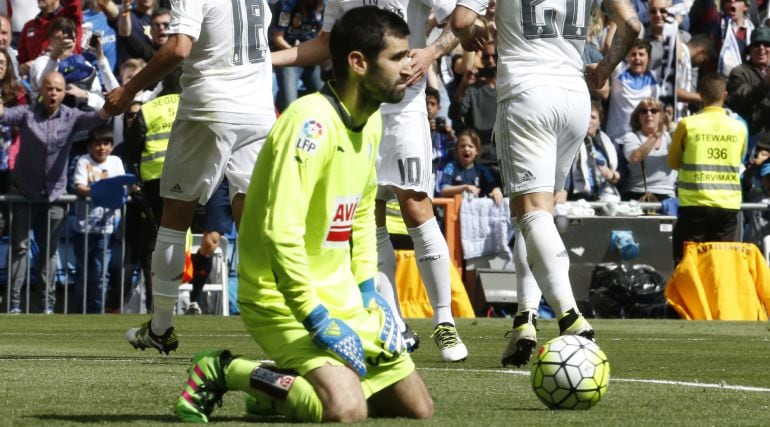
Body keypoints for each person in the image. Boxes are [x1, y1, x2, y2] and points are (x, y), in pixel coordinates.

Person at [175, 7, 433, 423]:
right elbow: (280, 234)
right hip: (280, 297)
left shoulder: (370, 123)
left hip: (341, 296)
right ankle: (225, 369)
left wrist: (369, 296)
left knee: (418, 409)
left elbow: (364, 215)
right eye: (397, 57)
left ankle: (279, 391)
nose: (410, 67)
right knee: (347, 410)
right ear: (357, 63)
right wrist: (315, 316)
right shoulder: (309, 123)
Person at [272, 0, 470, 362]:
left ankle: (444, 320)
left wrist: (430, 53)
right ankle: (393, 321)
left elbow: (460, 21)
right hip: (358, 110)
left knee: (415, 207)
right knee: (367, 217)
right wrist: (268, 60)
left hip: (404, 109)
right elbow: (326, 42)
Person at [451, 0, 641, 367]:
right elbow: (632, 26)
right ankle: (525, 317)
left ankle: (569, 315)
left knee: (530, 211)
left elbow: (461, 21)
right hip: (574, 97)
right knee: (537, 213)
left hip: (527, 92)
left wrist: (476, 31)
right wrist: (604, 68)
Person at [104, 0, 276, 354]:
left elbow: (179, 47)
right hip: (259, 112)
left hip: (210, 106)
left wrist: (129, 89)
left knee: (175, 217)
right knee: (253, 218)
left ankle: (161, 326)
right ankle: (279, 320)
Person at [1, 71, 109, 314]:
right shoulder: (27, 113)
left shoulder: (72, 117)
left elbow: (98, 118)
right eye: (49, 88)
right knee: (19, 248)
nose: (53, 93)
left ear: (63, 93)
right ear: (41, 90)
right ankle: (14, 304)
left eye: (58, 90)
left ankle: (47, 305)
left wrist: (110, 104)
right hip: (24, 193)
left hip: (55, 196)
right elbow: (5, 116)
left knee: (48, 252)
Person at [668, 73, 748, 265]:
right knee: (720, 265)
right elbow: (739, 160)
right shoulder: (739, 128)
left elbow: (673, 162)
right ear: (725, 95)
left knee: (689, 263)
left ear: (700, 95)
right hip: (727, 207)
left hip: (694, 204)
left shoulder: (688, 124)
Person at [72, 125, 125, 313]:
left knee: (101, 273)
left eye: (106, 143)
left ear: (111, 146)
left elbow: (121, 187)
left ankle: (98, 311)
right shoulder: (83, 161)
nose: (101, 147)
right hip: (84, 227)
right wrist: (103, 191)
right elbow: (79, 187)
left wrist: (95, 191)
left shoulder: (116, 161)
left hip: (108, 227)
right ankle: (80, 310)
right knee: (83, 272)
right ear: (89, 146)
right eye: (97, 144)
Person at [186, 179, 234, 315]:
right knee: (206, 242)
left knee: (210, 242)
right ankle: (190, 299)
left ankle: (194, 298)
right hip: (199, 178)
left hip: (229, 180)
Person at [619, 97, 678, 201]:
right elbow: (635, 157)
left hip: (667, 196)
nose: (649, 114)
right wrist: (656, 135)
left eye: (654, 111)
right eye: (643, 111)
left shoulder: (670, 137)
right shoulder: (631, 136)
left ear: (661, 116)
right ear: (638, 116)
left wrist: (670, 125)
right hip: (638, 194)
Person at [272, 0, 325, 112]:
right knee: (289, 104)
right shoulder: (286, 5)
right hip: (289, 59)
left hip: (311, 58)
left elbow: (321, 35)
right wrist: (296, 52)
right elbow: (278, 38)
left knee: (326, 98)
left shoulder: (322, 5)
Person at [563, 101, 621, 202]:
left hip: (606, 197)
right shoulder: (570, 140)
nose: (589, 120)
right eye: (585, 116)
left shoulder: (610, 142)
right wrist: (563, 189)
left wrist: (613, 175)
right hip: (578, 197)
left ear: (599, 122)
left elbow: (622, 172)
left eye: (593, 117)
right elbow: (564, 167)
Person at [727, 26, 770, 139]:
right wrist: (766, 83)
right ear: (750, 50)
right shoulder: (739, 72)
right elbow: (742, 98)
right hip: (751, 139)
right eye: (756, 45)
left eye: (766, 45)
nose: (761, 48)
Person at [439, 128, 502, 205]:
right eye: (462, 146)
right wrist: (465, 188)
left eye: (470, 146)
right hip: (455, 212)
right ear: (457, 150)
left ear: (477, 151)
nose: (466, 149)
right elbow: (443, 190)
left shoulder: (483, 169)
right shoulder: (450, 166)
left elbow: (493, 187)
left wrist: (496, 191)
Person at [17, 0, 83, 70]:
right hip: (35, 78)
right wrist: (22, 68)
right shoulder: (29, 26)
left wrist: (35, 63)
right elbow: (21, 60)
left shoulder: (69, 16)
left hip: (68, 73)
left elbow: (74, 3)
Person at [426, 85, 455, 196]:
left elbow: (455, 153)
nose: (428, 107)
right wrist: (426, 129)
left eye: (432, 104)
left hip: (441, 172)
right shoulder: (415, 128)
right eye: (426, 103)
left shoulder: (444, 128)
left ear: (439, 108)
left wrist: (450, 135)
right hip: (424, 172)